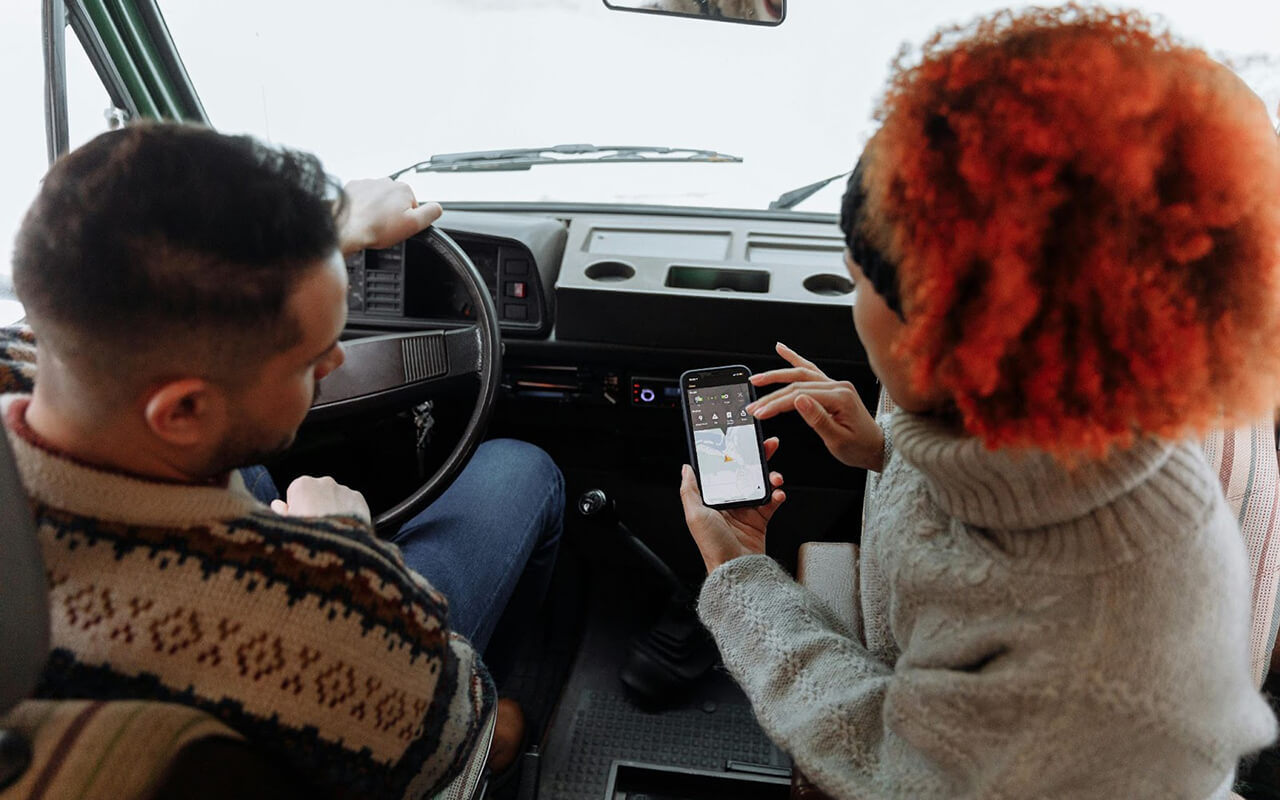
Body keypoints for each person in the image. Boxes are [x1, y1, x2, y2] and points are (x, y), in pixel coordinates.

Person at [679, 7, 1280, 799]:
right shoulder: (1072, 396)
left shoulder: (1095, 644)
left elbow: (885, 760)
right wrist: (882, 451)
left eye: (859, 281)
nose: (854, 302)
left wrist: (739, 572)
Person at [0, 123, 563, 798]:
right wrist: (350, 549)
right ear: (182, 410)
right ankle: (510, 731)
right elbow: (448, 732)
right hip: (413, 714)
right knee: (521, 469)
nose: (338, 363)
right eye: (311, 360)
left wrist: (336, 228)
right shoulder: (327, 614)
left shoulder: (42, 354)